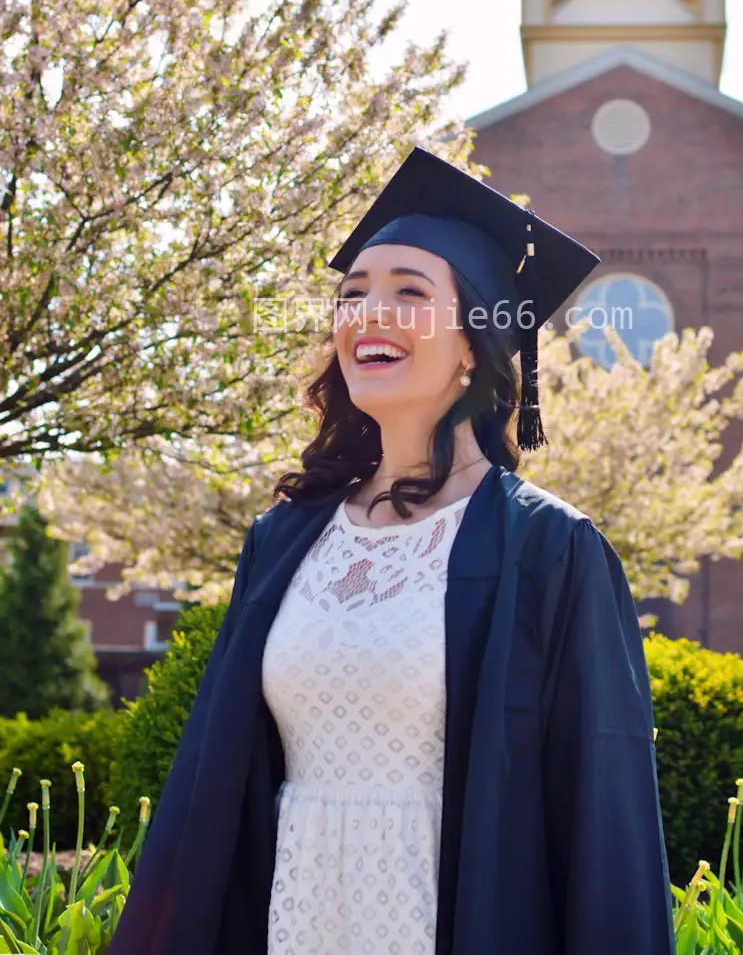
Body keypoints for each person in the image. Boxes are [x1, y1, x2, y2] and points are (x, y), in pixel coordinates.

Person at [108, 146, 676, 955]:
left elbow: (603, 815)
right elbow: (216, 785)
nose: (370, 314)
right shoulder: (284, 539)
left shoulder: (550, 549)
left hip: (446, 919)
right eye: (352, 295)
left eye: (410, 293)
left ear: (475, 343)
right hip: (295, 916)